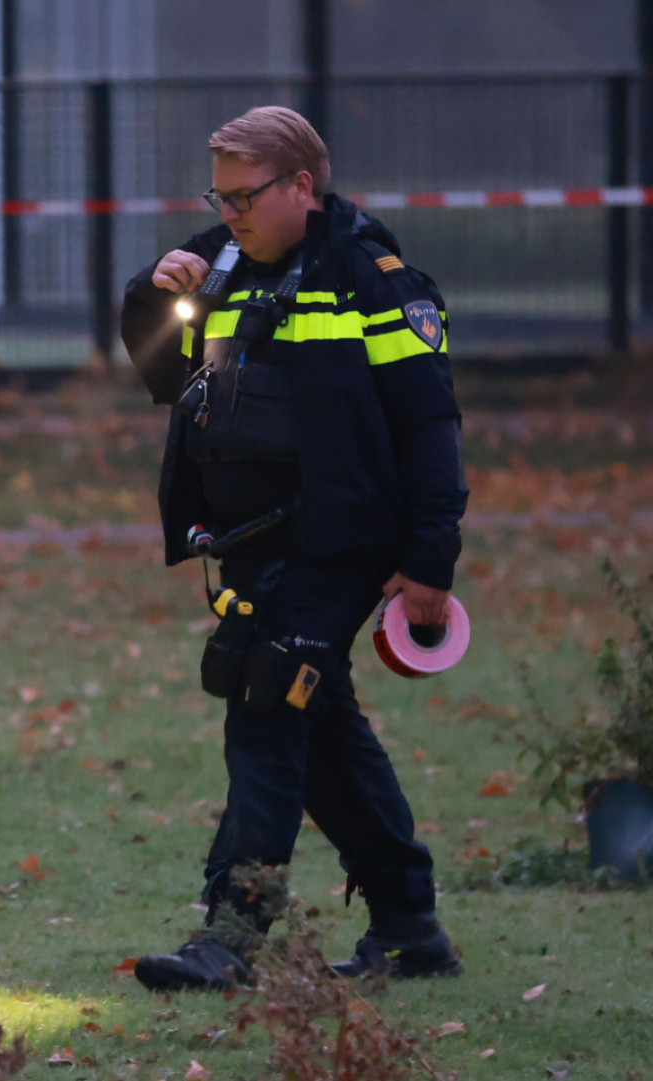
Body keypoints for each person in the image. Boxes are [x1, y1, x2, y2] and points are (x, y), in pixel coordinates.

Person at [117, 106, 468, 991]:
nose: (228, 213)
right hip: (248, 543)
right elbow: (168, 375)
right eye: (219, 194)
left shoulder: (372, 277)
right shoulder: (219, 265)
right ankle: (409, 928)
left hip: (338, 539)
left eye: (245, 195)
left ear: (302, 186)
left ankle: (232, 936)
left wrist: (430, 559)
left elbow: (429, 425)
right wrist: (153, 295)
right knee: (323, 732)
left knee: (268, 701)